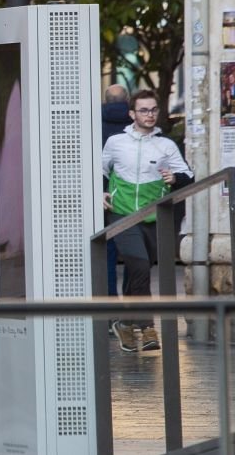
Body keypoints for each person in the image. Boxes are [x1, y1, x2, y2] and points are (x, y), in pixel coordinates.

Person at [102, 89, 193, 353]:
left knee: (139, 272)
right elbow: (100, 169)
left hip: (153, 216)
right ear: (132, 114)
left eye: (153, 109)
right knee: (139, 264)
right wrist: (102, 191)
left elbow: (188, 175)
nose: (149, 114)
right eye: (143, 110)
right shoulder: (116, 142)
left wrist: (175, 179)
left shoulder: (165, 145)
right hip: (122, 213)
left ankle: (125, 324)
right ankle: (146, 325)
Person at [100, 84, 132, 298]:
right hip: (131, 197)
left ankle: (110, 302)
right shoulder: (135, 124)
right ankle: (132, 305)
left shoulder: (93, 122)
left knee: (107, 253)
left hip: (104, 198)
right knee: (135, 254)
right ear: (127, 99)